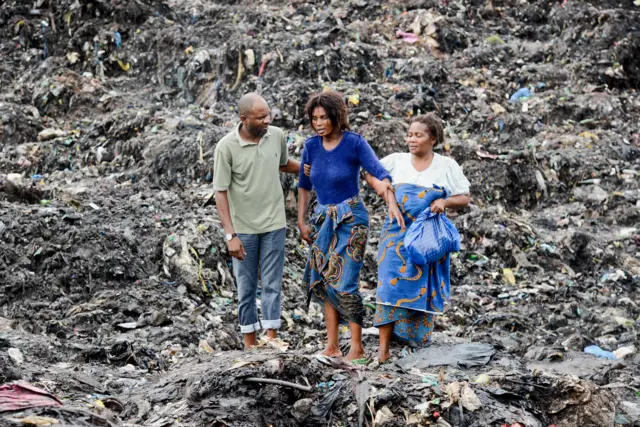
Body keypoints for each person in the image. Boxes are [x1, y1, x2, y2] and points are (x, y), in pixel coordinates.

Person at [297, 91, 404, 362]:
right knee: (323, 280)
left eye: (324, 118)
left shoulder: (354, 143)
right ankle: (332, 345)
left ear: (337, 117)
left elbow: (377, 171)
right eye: (314, 118)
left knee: (346, 280)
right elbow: (304, 186)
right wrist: (301, 220)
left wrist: (388, 195)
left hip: (351, 219)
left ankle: (356, 347)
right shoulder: (311, 146)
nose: (319, 123)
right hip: (322, 219)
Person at [366, 113, 471, 363]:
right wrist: (388, 196)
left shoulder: (446, 166)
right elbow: (369, 172)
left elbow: (464, 196)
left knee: (421, 286)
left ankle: (414, 344)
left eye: (418, 135)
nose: (411, 140)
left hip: (426, 239)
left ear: (432, 139)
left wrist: (443, 201)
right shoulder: (396, 160)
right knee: (389, 286)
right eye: (410, 134)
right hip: (395, 235)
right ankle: (383, 350)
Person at [214, 93, 300, 349]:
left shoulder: (276, 136)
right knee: (247, 287)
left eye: (268, 115)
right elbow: (220, 191)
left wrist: (311, 166)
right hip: (244, 229)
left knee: (273, 283)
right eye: (261, 117)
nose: (267, 121)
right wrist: (231, 235)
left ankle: (271, 339)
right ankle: (250, 344)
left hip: (274, 224)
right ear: (244, 119)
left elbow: (284, 164)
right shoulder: (226, 147)